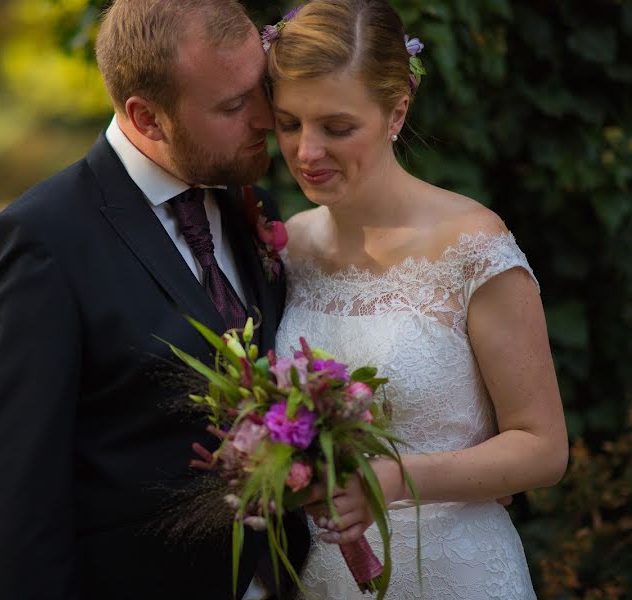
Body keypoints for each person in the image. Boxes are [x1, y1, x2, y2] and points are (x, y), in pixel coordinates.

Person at [0, 1, 310, 598]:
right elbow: (22, 501)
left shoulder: (247, 202)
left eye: (261, 90)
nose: (265, 118)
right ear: (146, 117)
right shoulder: (43, 240)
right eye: (232, 106)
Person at [263, 0, 569, 598]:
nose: (306, 152)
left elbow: (543, 448)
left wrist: (393, 481)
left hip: (455, 572)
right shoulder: (288, 247)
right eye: (288, 122)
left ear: (397, 110)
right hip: (323, 578)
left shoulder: (472, 245)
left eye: (337, 127)